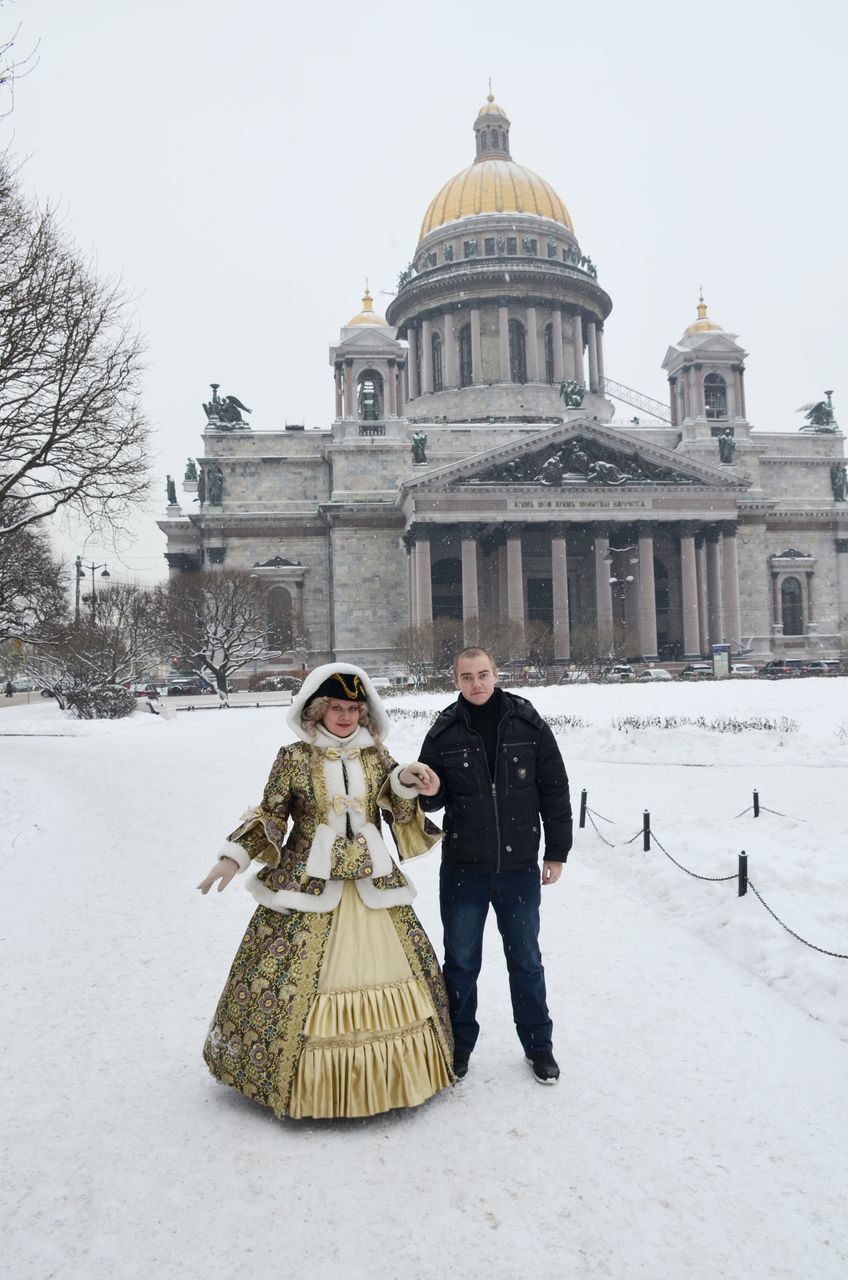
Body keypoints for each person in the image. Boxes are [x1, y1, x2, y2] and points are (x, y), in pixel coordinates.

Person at [198, 663, 453, 1120]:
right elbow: (272, 814)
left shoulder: (376, 756)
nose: (345, 716)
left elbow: (394, 801)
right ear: (318, 710)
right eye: (336, 707)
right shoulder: (294, 757)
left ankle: (395, 1077)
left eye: (354, 709)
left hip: (372, 883)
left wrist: (408, 779)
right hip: (308, 884)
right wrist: (233, 856)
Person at [417, 647, 572, 1085]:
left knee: (526, 959)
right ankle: (458, 1045)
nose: (477, 684)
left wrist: (556, 852)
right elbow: (431, 796)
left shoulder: (527, 721)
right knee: (461, 962)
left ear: (496, 673)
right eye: (467, 677)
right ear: (456, 681)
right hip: (464, 869)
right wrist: (428, 789)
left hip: (519, 867)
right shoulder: (444, 730)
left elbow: (554, 788)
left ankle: (539, 1045)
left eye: (483, 674)